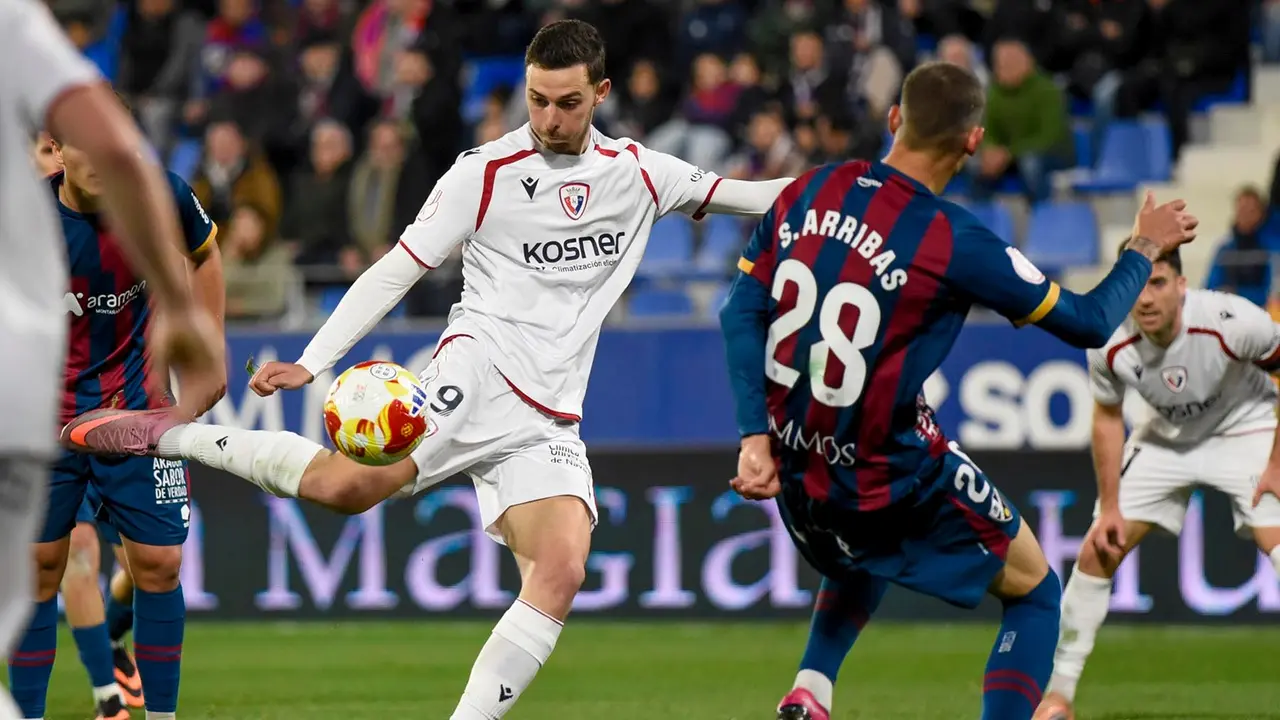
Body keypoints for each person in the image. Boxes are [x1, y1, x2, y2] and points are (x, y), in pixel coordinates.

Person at [59, 19, 792, 720]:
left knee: (562, 569)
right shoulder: (485, 173)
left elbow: (756, 197)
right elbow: (395, 270)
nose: (549, 117)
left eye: (568, 103)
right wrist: (314, 362)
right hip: (474, 374)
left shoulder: (642, 174)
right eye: (535, 99)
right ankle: (169, 436)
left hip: (550, 416)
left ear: (600, 95)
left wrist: (865, 189)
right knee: (346, 489)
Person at [716, 61, 1199, 720]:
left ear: (895, 119)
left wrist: (754, 435)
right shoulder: (952, 239)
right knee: (1035, 591)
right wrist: (1144, 246)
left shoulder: (812, 186)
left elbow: (737, 311)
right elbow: (1088, 322)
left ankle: (812, 690)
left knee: (859, 550)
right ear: (974, 141)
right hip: (888, 474)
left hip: (797, 470)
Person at [0, 0, 225, 717]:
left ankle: (158, 715)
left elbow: (206, 251)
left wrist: (207, 352)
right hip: (45, 419)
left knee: (158, 565)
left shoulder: (160, 195)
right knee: (40, 570)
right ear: (57, 149)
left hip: (138, 413)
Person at [1034, 245, 1280, 720]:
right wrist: (1108, 507)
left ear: (1182, 286)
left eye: (1159, 283)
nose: (1146, 299)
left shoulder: (1231, 319)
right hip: (1165, 440)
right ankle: (1057, 695)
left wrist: (1276, 462)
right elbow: (1106, 417)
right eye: (1139, 285)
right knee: (1097, 550)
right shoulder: (1109, 339)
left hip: (1244, 428)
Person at [27, 132, 146, 716]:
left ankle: (115, 644)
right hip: (46, 420)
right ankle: (108, 698)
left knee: (137, 562)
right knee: (75, 554)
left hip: (114, 407)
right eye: (50, 155)